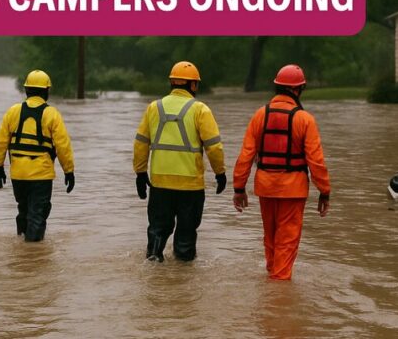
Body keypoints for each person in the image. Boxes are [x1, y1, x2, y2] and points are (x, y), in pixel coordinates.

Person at [233, 64, 331, 280]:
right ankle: (279, 294)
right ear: (298, 89)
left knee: (270, 238)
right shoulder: (305, 119)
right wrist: (324, 192)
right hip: (293, 190)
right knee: (286, 243)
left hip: (266, 187)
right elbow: (316, 161)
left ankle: (272, 281)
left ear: (277, 87)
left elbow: (245, 155)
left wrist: (239, 188)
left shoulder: (260, 115)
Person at [132, 61, 226, 262]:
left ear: (172, 82)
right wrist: (220, 173)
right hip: (190, 186)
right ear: (193, 85)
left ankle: (154, 263)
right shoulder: (201, 110)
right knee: (186, 236)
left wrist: (140, 173)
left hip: (159, 183)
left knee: (157, 230)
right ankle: (183, 280)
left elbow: (141, 143)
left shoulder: (153, 108)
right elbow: (214, 147)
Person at [0, 69, 76, 242]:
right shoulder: (52, 114)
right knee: (38, 214)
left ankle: (21, 247)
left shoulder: (12, 111)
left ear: (27, 90)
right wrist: (69, 171)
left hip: (18, 175)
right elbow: (63, 146)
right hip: (41, 176)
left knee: (24, 210)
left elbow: (0, 142)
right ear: (46, 91)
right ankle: (32, 258)